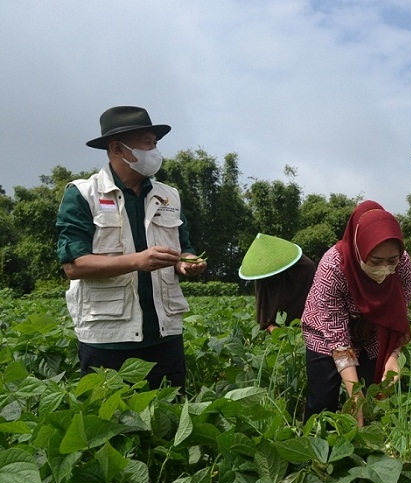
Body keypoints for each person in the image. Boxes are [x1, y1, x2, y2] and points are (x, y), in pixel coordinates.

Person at [56, 106, 207, 391]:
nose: (155, 151)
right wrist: (138, 260)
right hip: (108, 337)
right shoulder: (83, 195)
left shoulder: (168, 195)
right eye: (147, 143)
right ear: (117, 148)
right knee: (110, 427)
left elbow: (184, 247)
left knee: (170, 426)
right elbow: (74, 265)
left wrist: (186, 262)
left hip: (165, 334)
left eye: (155, 143)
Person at [302, 201, 411, 426]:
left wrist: (393, 357)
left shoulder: (402, 264)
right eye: (375, 261)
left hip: (371, 332)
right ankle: (314, 448)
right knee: (323, 400)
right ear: (358, 248)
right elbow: (337, 337)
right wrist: (354, 393)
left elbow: (398, 316)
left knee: (373, 394)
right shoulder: (333, 266)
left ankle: (365, 448)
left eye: (391, 261)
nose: (384, 268)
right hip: (326, 334)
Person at [238, 233, 316, 331]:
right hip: (276, 326)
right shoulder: (262, 276)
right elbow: (263, 309)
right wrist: (272, 328)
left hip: (306, 323)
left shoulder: (305, 267)